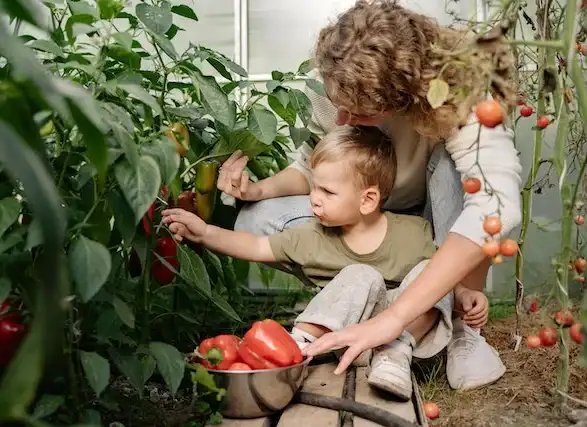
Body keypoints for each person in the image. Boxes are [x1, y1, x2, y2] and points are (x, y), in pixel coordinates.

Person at [218, 0, 522, 390]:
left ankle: (458, 322)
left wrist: (391, 321)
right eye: (337, 106)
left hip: (432, 223)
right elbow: (314, 167)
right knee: (256, 217)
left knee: (459, 172)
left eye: (359, 113)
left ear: (404, 96)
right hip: (363, 221)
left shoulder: (462, 90)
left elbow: (495, 205)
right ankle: (371, 299)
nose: (342, 122)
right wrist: (256, 190)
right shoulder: (336, 81)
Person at [162, 126, 488, 400]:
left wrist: (463, 294)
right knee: (360, 274)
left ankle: (393, 355)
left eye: (326, 191)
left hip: (401, 328)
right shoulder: (313, 236)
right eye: (314, 186)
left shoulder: (413, 233)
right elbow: (256, 244)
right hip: (346, 329)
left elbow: (444, 275)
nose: (313, 198)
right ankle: (298, 348)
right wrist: (205, 232)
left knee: (428, 271)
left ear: (368, 200)